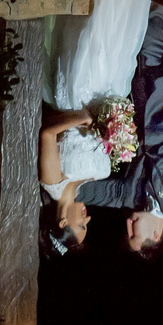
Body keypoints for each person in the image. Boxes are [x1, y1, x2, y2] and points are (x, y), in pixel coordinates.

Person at [75, 6, 163, 257]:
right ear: (156, 235)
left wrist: (51, 192)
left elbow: (86, 193)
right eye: (134, 233)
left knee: (156, 12)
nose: (128, 224)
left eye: (127, 232)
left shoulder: (129, 198)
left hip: (149, 84)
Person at [38, 107, 102, 255]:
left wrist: (81, 118)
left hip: (74, 105)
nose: (88, 218)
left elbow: (48, 134)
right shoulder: (80, 187)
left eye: (82, 225)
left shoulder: (53, 182)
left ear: (63, 222)